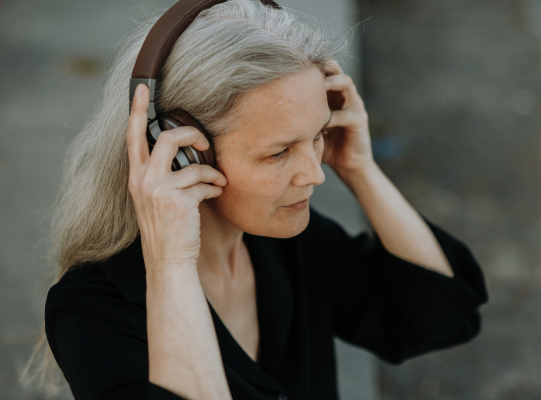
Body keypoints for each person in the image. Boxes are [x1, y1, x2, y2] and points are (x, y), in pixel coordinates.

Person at [27, 0, 488, 399]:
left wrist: (361, 169)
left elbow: (442, 318)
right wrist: (172, 267)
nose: (313, 174)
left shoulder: (284, 240)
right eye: (279, 152)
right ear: (182, 151)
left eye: (318, 136)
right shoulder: (92, 312)